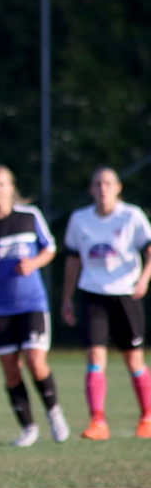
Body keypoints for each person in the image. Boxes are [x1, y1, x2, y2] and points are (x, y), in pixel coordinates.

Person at [0, 165, 69, 446]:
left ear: (11, 188)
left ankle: (54, 413)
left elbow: (50, 248)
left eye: (1, 184)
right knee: (10, 367)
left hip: (32, 302)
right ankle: (28, 428)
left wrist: (33, 263)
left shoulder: (30, 216)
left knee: (35, 360)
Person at [61, 166, 151, 440]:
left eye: (108, 183)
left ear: (118, 188)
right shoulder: (80, 219)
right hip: (92, 294)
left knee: (133, 357)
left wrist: (145, 279)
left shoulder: (131, 216)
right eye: (97, 184)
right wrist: (66, 297)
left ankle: (147, 418)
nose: (103, 189)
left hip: (126, 294)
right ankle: (97, 421)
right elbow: (73, 259)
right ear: (91, 189)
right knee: (94, 355)